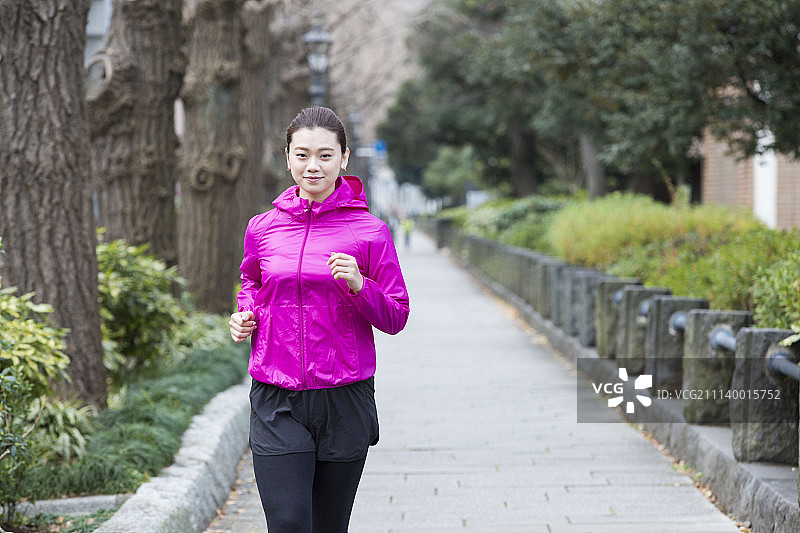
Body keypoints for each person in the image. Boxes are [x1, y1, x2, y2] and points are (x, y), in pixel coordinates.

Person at [229, 106, 410, 533]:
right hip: (276, 395)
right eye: (303, 154)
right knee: (289, 522)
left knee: (328, 526)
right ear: (287, 157)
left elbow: (396, 315)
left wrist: (360, 285)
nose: (314, 166)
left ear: (343, 159)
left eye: (325, 155)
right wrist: (245, 314)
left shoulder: (370, 231)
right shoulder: (262, 228)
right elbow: (251, 283)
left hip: (344, 397)